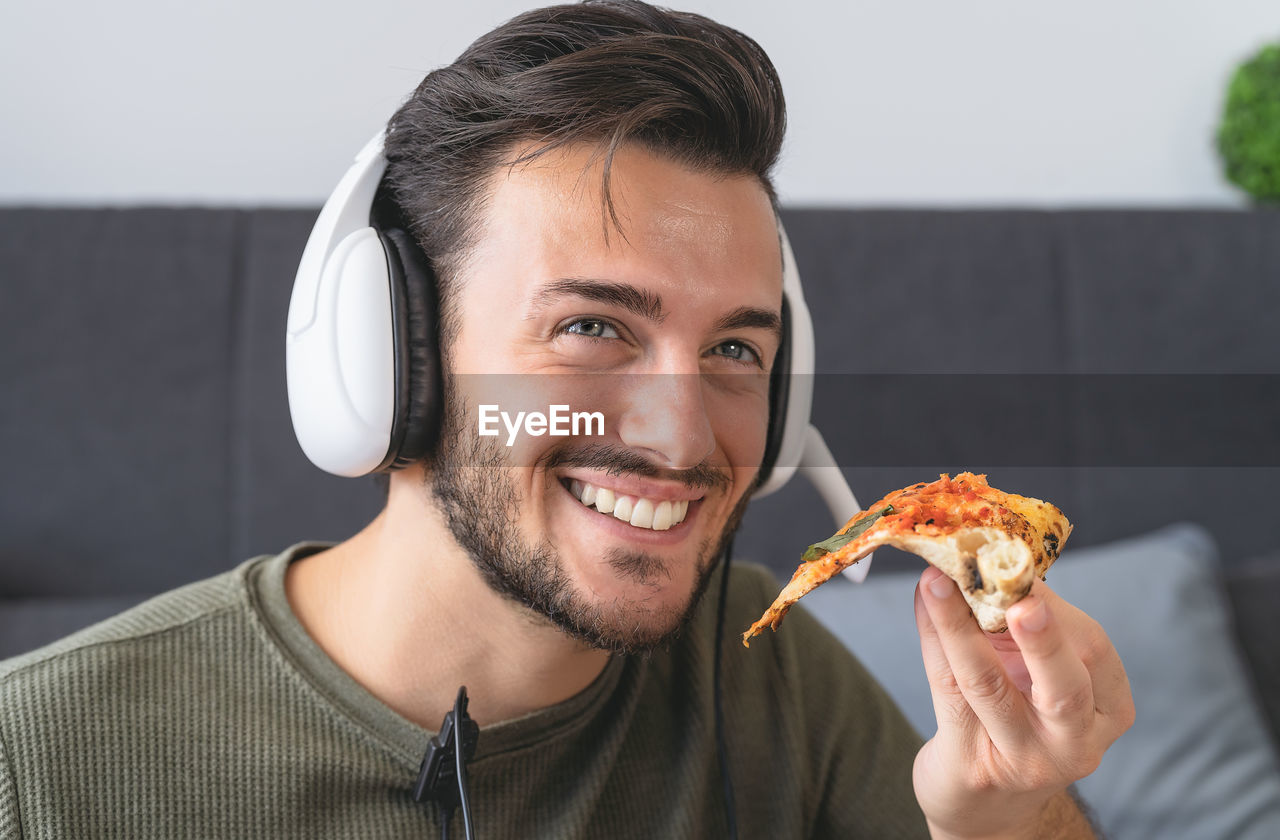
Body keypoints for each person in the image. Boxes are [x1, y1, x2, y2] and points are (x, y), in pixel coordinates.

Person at [0, 1, 1133, 837]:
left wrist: (1008, 818)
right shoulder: (40, 768)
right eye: (592, 328)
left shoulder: (762, 673)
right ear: (392, 359)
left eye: (736, 349)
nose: (684, 439)